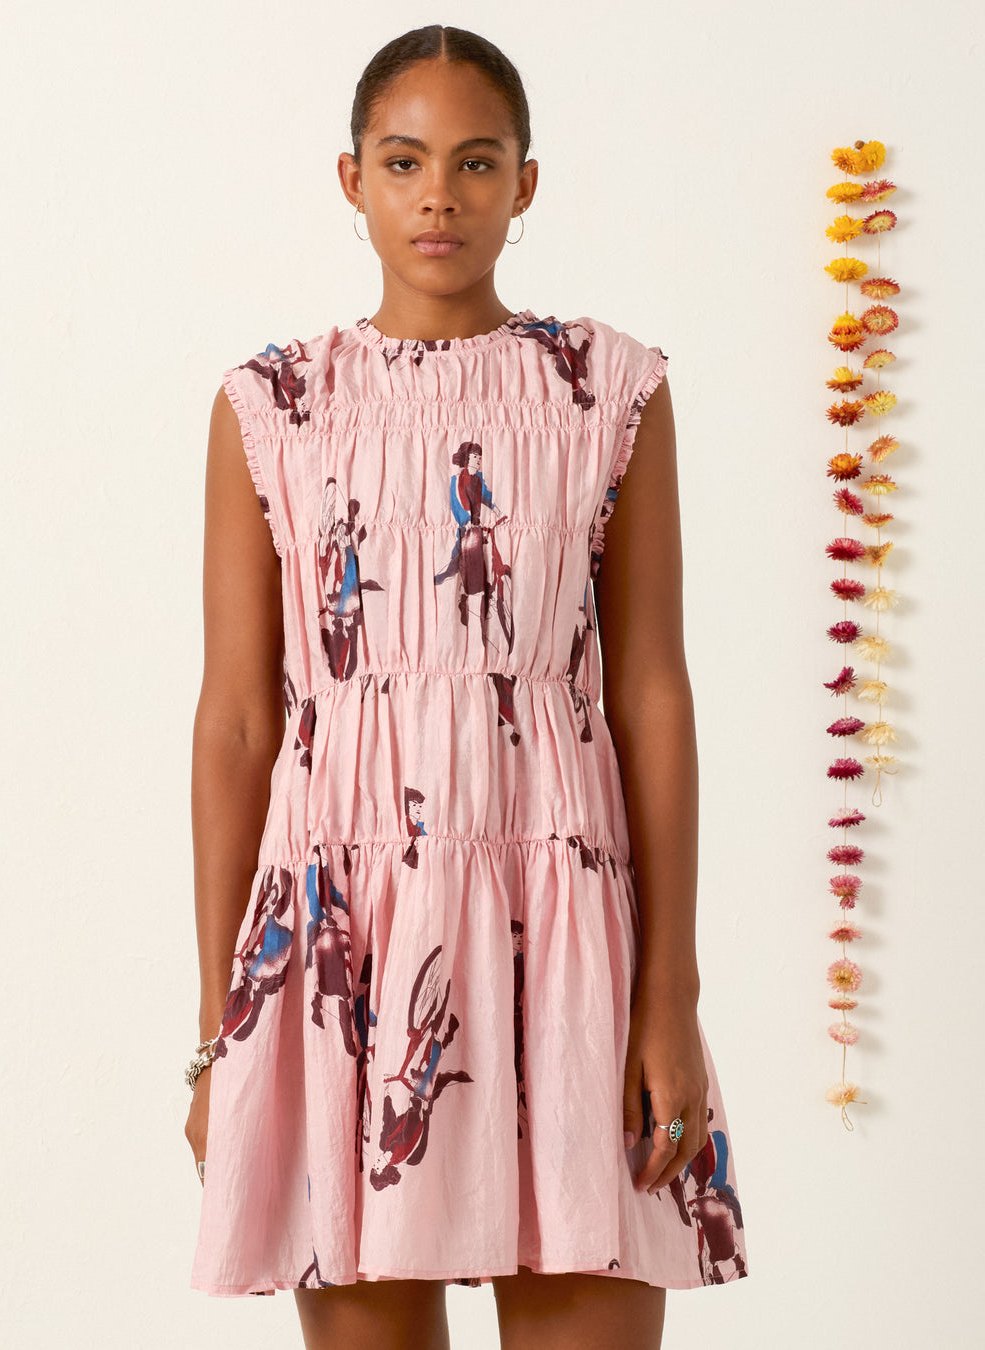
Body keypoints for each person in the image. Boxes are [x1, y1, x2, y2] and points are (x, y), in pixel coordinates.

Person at [184, 23, 748, 1350]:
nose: (439, 193)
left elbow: (651, 694)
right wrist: (221, 1030)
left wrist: (669, 990)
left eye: (476, 161)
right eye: (405, 159)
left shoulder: (610, 392)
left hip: (565, 928)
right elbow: (237, 721)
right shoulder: (273, 404)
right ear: (351, 179)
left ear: (525, 185)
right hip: (341, 943)